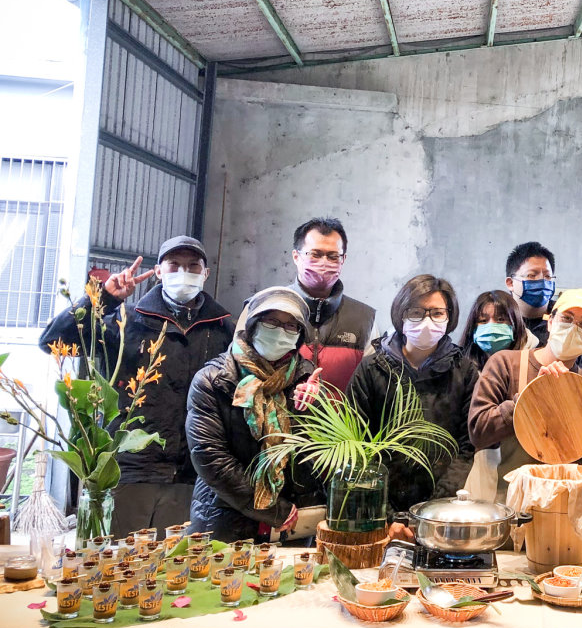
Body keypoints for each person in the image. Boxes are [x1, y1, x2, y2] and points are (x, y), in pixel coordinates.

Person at [39, 235, 234, 536]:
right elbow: (53, 342)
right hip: (130, 471)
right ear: (158, 272)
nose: (184, 272)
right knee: (118, 566)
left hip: (191, 473)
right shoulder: (126, 322)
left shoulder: (222, 330)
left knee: (173, 569)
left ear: (206, 274)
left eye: (193, 266)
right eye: (174, 265)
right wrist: (105, 299)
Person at [186, 287, 323, 542]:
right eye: (271, 321)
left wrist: (312, 407)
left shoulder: (305, 380)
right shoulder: (214, 380)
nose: (281, 331)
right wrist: (272, 509)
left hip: (292, 526)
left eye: (291, 326)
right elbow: (210, 458)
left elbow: (314, 459)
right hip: (226, 522)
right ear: (252, 325)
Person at [468, 289, 582, 501]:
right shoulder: (506, 363)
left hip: (558, 508)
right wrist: (532, 394)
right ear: (550, 322)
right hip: (504, 502)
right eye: (566, 318)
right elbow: (479, 431)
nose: (573, 328)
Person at [348, 275, 478, 515]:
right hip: (377, 505)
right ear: (401, 314)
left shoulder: (465, 371)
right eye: (416, 312)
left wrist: (434, 508)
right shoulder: (371, 369)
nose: (427, 321)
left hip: (439, 510)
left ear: (449, 317)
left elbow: (466, 446)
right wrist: (384, 512)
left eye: (437, 313)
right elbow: (356, 445)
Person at [288, 217, 378, 392]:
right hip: (275, 419)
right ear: (296, 257)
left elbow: (370, 385)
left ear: (343, 259)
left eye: (333, 256)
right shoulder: (265, 307)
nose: (324, 263)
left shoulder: (364, 319)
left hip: (340, 420)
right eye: (315, 254)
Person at [459, 290, 528, 371]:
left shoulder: (532, 360)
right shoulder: (461, 367)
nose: (491, 327)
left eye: (500, 319)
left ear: (515, 324)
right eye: (483, 321)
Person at [504, 241, 556, 347]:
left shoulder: (564, 317)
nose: (542, 281)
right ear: (511, 283)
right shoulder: (497, 318)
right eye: (532, 275)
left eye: (547, 276)